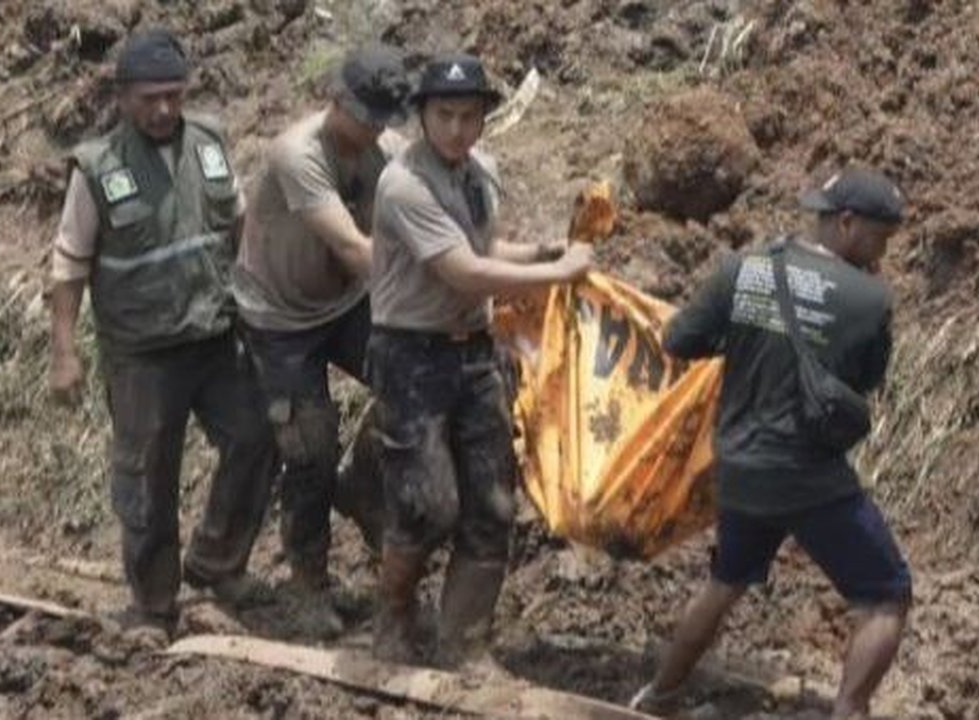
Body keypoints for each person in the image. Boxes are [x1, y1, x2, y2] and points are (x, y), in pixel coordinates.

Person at [633, 167, 914, 718]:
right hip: (809, 478)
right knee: (886, 593)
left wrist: (745, 335)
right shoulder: (869, 301)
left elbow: (680, 340)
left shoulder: (742, 270)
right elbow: (860, 383)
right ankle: (850, 710)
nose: (881, 253)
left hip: (739, 466)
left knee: (724, 583)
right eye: (879, 238)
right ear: (848, 223)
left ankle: (659, 695)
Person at [47, 28, 277, 638]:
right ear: (121, 97)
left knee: (257, 438)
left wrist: (258, 303)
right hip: (142, 355)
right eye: (150, 98)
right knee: (148, 478)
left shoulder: (208, 143)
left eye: (174, 96)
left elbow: (237, 224)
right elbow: (69, 265)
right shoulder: (98, 169)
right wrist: (65, 352)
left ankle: (217, 562)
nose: (163, 110)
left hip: (213, 335)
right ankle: (153, 604)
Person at [367, 53, 594, 667]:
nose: (459, 130)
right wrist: (554, 273)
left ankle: (463, 643)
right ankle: (391, 617)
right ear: (421, 116)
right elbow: (464, 272)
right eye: (445, 116)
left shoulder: (478, 172)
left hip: (471, 353)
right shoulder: (403, 185)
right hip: (410, 352)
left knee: (493, 505)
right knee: (427, 504)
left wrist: (542, 250)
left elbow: (485, 246)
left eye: (470, 117)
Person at [232, 45, 412, 637]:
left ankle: (363, 482)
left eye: (384, 120)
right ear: (336, 102)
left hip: (342, 304)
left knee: (412, 381)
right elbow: (356, 250)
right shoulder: (297, 154)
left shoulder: (384, 149)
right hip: (279, 316)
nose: (374, 131)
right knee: (308, 446)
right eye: (366, 117)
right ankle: (307, 584)